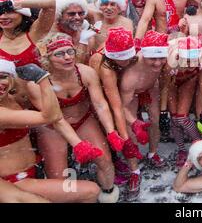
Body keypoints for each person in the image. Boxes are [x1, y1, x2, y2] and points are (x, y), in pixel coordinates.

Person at [36, 32, 123, 202]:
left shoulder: (86, 72)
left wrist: (111, 131)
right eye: (59, 54)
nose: (67, 57)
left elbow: (100, 104)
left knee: (104, 159)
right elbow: (56, 118)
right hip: (52, 127)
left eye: (70, 51)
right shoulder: (38, 83)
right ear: (48, 58)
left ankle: (108, 193)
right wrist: (78, 144)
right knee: (58, 177)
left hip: (83, 119)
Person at [0, 59, 100, 202]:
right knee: (90, 191)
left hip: (32, 172)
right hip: (15, 182)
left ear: (10, 77)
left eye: (2, 77)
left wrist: (77, 143)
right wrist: (42, 79)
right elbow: (52, 115)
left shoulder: (12, 98)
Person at [89, 27, 144, 201]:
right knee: (116, 129)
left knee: (128, 123)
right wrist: (125, 137)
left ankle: (125, 161)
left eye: (130, 56)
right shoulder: (105, 67)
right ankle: (129, 165)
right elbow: (115, 105)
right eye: (123, 59)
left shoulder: (127, 49)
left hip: (122, 89)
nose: (128, 60)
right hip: (101, 96)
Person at [166, 36, 202, 167]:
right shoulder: (171, 61)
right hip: (172, 83)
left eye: (194, 61)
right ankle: (182, 150)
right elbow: (164, 88)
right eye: (188, 61)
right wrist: (163, 111)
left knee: (181, 118)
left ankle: (197, 141)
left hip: (189, 81)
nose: (191, 65)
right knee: (174, 118)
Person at [119, 30, 169, 170]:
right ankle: (134, 169)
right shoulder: (130, 76)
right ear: (145, 54)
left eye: (161, 59)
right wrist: (135, 123)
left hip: (151, 87)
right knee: (129, 126)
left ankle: (152, 153)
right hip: (133, 92)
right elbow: (121, 107)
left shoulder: (166, 57)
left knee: (155, 120)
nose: (158, 63)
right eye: (153, 59)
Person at [0, 0, 55, 67]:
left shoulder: (35, 32)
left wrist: (13, 3)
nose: (3, 17)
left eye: (10, 12)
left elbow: (50, 4)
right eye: (0, 12)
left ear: (23, 14)